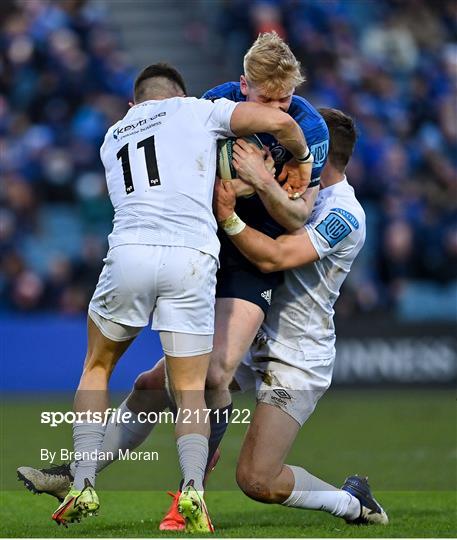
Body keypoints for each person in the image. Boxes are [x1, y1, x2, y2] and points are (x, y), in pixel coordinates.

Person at [18, 32, 325, 530]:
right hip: (193, 256)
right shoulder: (200, 112)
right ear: (183, 95)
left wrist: (250, 183)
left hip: (134, 254)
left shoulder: (112, 134)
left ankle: (82, 480)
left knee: (100, 368)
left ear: (132, 102)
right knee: (189, 388)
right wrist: (292, 161)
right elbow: (275, 122)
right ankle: (192, 492)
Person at [215, 107, 387, 525]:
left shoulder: (344, 215)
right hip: (249, 330)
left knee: (256, 479)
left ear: (320, 153)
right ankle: (79, 473)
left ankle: (353, 503)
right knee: (157, 382)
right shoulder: (286, 185)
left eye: (299, 144)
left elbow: (275, 259)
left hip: (295, 355)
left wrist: (230, 215)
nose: (289, 150)